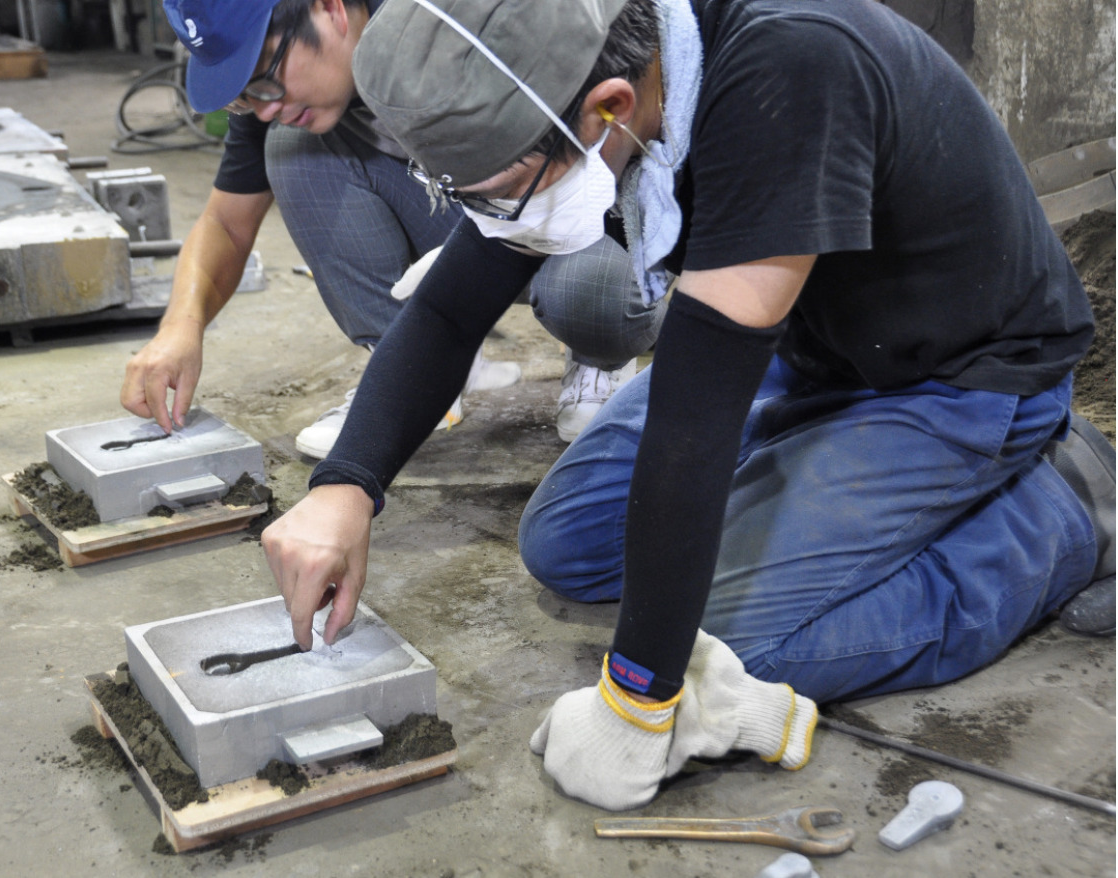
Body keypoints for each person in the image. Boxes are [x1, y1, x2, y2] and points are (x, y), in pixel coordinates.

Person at [262, 0, 1115, 812]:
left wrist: (640, 701)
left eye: (503, 190)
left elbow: (692, 427)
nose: (496, 216)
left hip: (961, 374)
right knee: (566, 544)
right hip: (813, 345)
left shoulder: (790, 67)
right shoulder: (583, 70)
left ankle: (1071, 509)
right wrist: (348, 485)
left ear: (610, 107)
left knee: (728, 649)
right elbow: (451, 310)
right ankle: (833, 483)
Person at [120, 0, 666, 453]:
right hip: (469, 206)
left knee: (589, 293)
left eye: (262, 79)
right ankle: (415, 367)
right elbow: (226, 221)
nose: (262, 108)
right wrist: (181, 327)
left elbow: (623, 134)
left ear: (330, 8)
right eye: (244, 97)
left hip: (583, 212)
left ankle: (599, 360)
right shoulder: (279, 99)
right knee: (290, 147)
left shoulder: (460, 22)